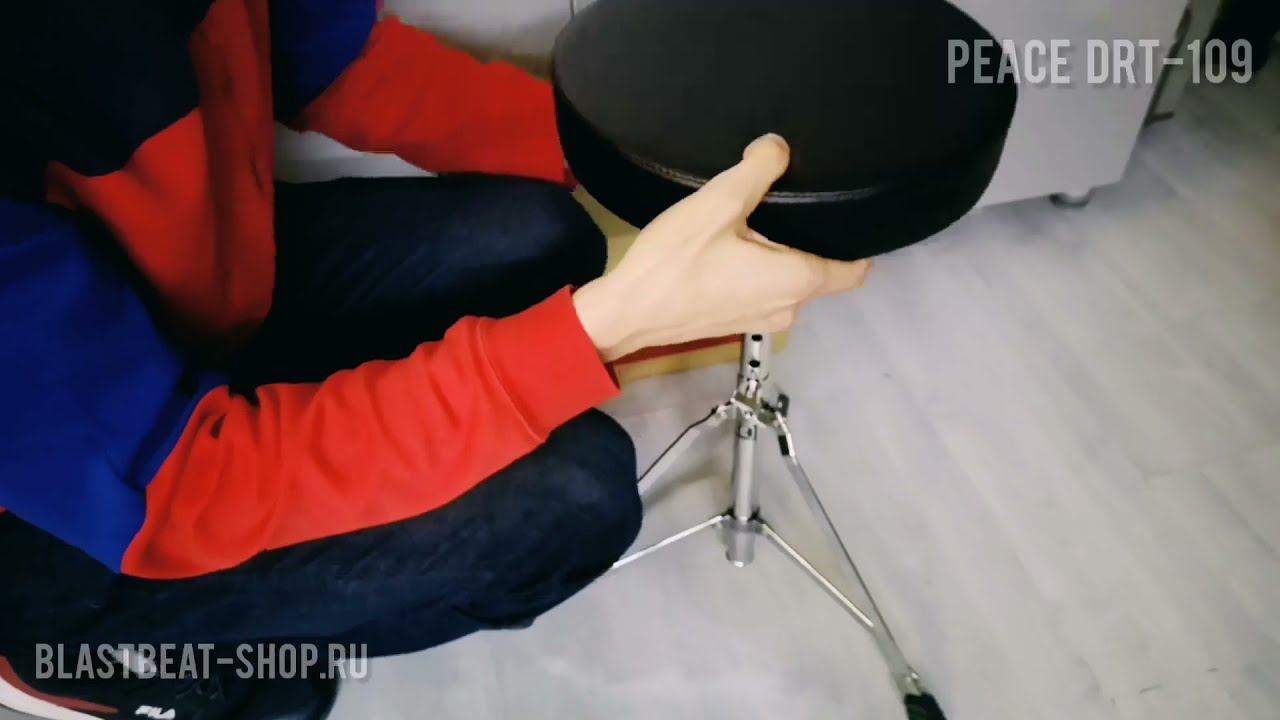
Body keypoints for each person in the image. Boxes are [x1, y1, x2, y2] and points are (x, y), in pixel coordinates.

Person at [0, 3, 871, 719]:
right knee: (579, 497)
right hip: (85, 521)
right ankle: (100, 666)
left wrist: (639, 165)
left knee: (541, 234)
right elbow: (187, 487)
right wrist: (607, 327)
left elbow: (335, 62)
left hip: (197, 294)